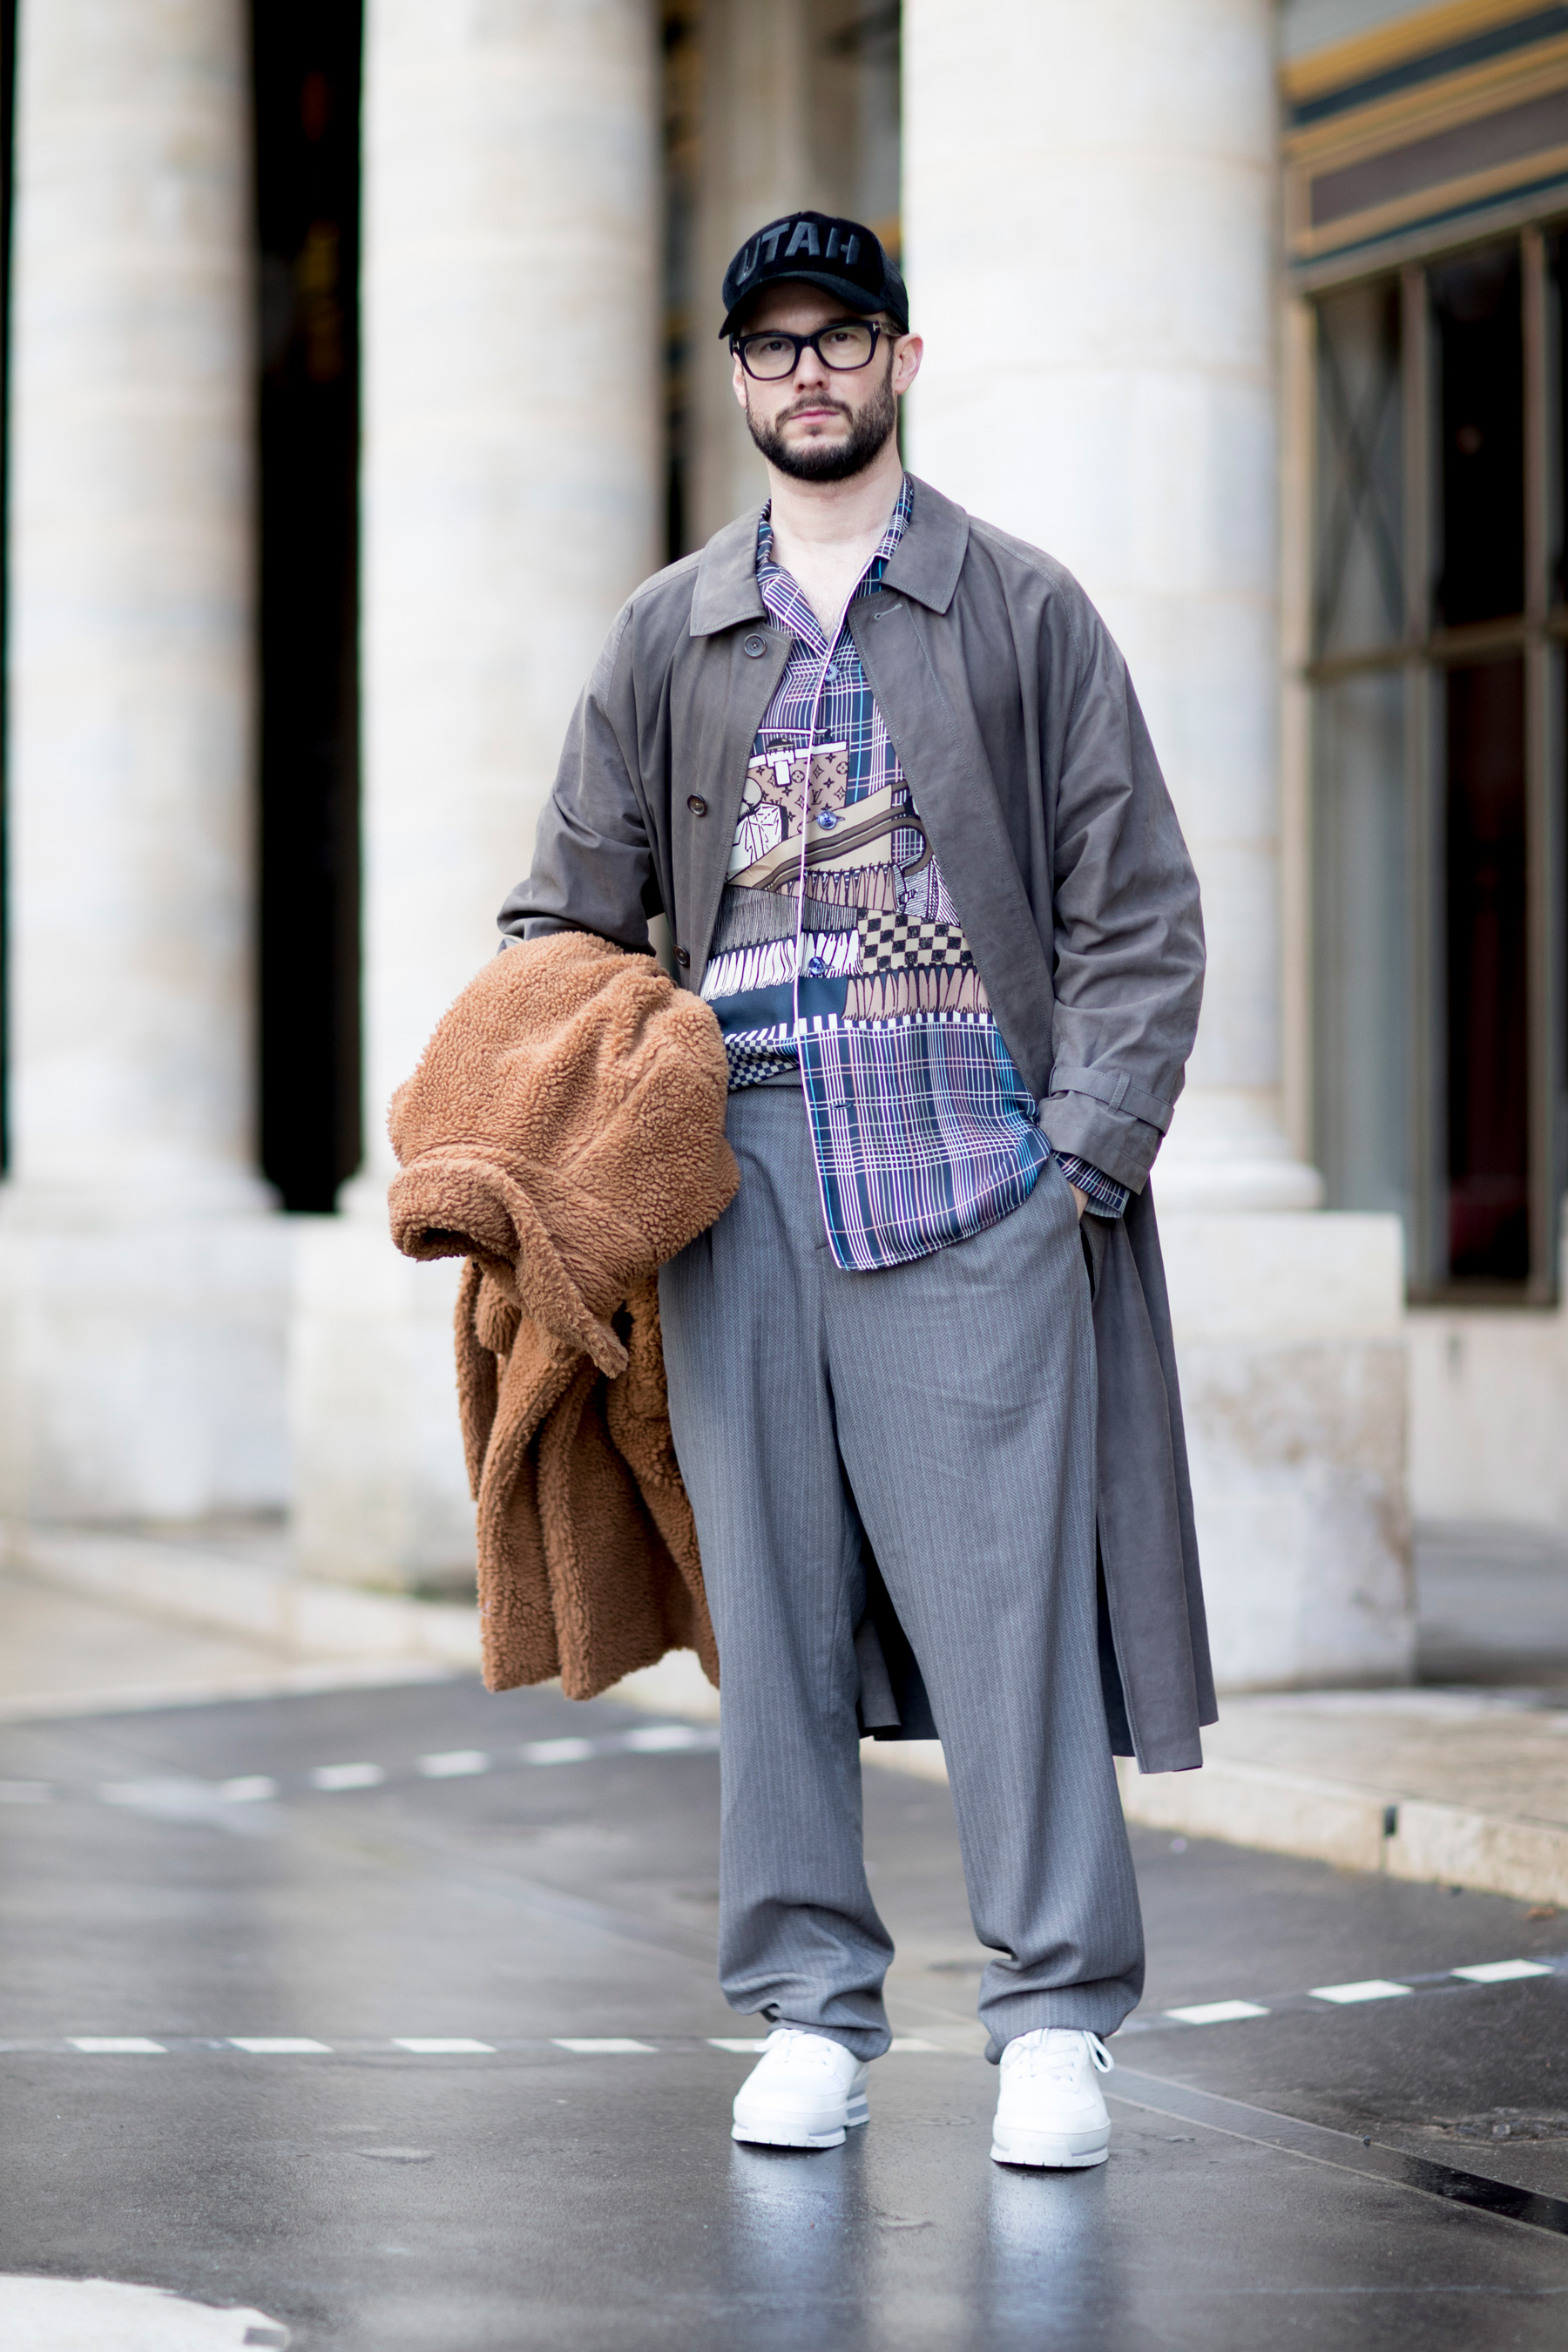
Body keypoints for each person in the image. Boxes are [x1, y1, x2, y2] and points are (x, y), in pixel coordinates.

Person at [499, 211, 1211, 2170]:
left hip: (978, 1171)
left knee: (1013, 1617)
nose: (806, 375)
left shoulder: (1023, 609)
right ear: (736, 380)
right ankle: (811, 2009)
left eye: (840, 339)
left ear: (903, 359)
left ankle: (1056, 2014)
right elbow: (560, 915)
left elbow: (1137, 908)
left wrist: (1079, 1159)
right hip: (738, 1191)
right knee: (780, 1617)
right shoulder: (669, 632)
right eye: (771, 347)